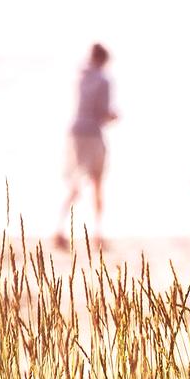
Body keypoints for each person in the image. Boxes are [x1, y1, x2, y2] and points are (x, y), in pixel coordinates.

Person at [56, 43, 116, 250]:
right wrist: (114, 116)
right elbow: (103, 113)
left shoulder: (80, 76)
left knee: (75, 184)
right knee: (97, 183)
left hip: (74, 132)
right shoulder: (104, 80)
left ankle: (59, 229)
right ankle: (98, 234)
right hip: (92, 133)